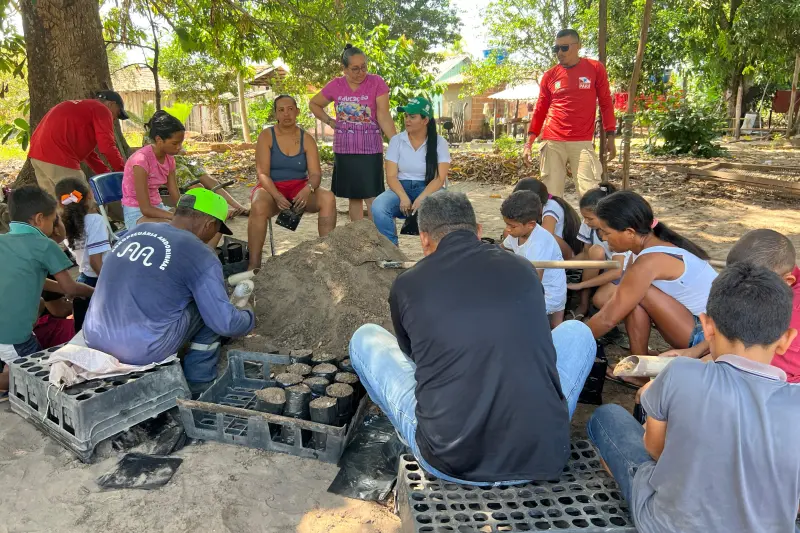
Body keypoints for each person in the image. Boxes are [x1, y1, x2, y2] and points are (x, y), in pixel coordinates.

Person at [349, 190, 597, 485]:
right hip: (543, 452)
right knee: (578, 330)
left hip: (449, 460)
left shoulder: (408, 284)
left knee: (365, 338)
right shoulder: (523, 268)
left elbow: (412, 357)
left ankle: (410, 434)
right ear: (478, 232)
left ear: (424, 238)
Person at [587, 263, 800, 533]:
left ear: (707, 327)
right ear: (786, 339)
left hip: (665, 523)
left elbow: (654, 450)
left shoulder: (680, 373)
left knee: (607, 418)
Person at [83, 189, 255, 396]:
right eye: (218, 229)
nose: (214, 235)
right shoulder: (201, 254)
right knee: (209, 310)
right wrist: (248, 315)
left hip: (93, 336)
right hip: (139, 350)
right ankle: (200, 382)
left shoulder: (137, 230)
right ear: (209, 224)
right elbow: (225, 323)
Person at [585, 191, 717, 372]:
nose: (603, 238)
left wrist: (570, 340)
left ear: (630, 232)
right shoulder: (656, 245)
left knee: (638, 294)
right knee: (634, 296)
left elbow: (608, 318)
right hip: (711, 330)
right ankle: (640, 365)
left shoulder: (648, 262)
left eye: (606, 232)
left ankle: (639, 372)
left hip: (708, 339)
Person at [662, 229, 800, 382]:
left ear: (788, 281)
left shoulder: (791, 314)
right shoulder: (765, 286)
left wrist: (692, 368)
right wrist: (692, 352)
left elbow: (750, 362)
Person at [0, 186, 94, 395]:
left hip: (5, 328)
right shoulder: (44, 245)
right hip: (13, 333)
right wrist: (95, 292)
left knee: (16, 358)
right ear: (39, 219)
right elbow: (69, 288)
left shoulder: (3, 240)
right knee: (40, 379)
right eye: (54, 220)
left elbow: (38, 281)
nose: (57, 225)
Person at [521, 29, 616, 199]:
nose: (559, 53)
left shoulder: (595, 68)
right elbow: (540, 109)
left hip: (582, 142)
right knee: (551, 197)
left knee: (590, 195)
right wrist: (529, 143)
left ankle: (591, 227)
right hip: (552, 142)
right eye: (555, 48)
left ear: (578, 46)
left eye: (564, 48)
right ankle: (553, 226)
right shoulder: (550, 75)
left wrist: (610, 136)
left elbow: (606, 103)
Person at [247, 95, 337, 270]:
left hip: (300, 188)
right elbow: (262, 174)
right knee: (258, 204)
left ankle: (327, 257)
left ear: (297, 111)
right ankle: (254, 263)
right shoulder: (267, 136)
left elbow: (316, 174)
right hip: (272, 188)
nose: (286, 114)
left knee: (328, 198)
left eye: (290, 109)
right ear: (275, 114)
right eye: (281, 110)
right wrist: (276, 195)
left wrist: (308, 188)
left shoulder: (307, 139)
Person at [310, 44, 397, 221]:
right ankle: (359, 240)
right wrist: (330, 122)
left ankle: (377, 238)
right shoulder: (336, 85)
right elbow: (314, 104)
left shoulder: (376, 82)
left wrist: (396, 141)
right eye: (355, 69)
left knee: (373, 197)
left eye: (364, 66)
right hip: (345, 149)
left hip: (370, 149)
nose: (361, 72)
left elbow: (383, 114)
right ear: (344, 69)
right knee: (354, 198)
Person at [372, 97, 449, 245]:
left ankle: (438, 252)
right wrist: (403, 197)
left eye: (412, 117)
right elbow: (391, 176)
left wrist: (422, 198)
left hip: (430, 188)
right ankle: (391, 251)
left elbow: (439, 179)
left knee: (446, 204)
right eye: (406, 116)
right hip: (401, 187)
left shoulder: (440, 143)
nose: (407, 120)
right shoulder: (396, 141)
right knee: (379, 206)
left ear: (425, 120)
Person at [28, 91, 129, 195]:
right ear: (111, 104)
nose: (115, 118)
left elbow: (88, 155)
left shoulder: (84, 108)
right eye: (117, 113)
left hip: (37, 156)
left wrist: (106, 173)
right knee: (82, 201)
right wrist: (123, 173)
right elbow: (107, 147)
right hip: (58, 157)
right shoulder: (102, 109)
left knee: (55, 205)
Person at [501, 190, 568, 327]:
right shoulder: (517, 234)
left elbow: (534, 283)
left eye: (511, 226)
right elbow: (500, 249)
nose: (507, 230)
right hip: (532, 284)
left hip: (548, 295)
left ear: (531, 224)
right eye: (507, 224)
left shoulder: (539, 243)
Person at [54, 177, 111, 331]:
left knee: (83, 328)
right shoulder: (95, 220)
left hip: (83, 280)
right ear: (89, 196)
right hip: (100, 278)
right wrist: (110, 284)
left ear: (60, 203)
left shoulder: (64, 224)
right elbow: (95, 261)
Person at [567, 182, 633, 316]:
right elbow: (586, 255)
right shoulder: (588, 226)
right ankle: (584, 303)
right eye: (584, 218)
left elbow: (616, 272)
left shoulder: (618, 229)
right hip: (605, 266)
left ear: (605, 215)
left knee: (600, 300)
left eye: (589, 218)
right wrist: (563, 265)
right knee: (595, 251)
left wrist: (581, 285)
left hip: (624, 271)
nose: (585, 222)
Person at [121, 110, 183, 229]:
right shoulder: (140, 161)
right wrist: (174, 216)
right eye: (175, 143)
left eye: (180, 143)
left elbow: (174, 193)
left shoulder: (169, 159)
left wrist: (184, 214)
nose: (179, 147)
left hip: (158, 208)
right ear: (159, 140)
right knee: (173, 227)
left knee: (198, 223)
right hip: (136, 213)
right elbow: (146, 209)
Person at [511, 178, 581, 259]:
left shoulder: (551, 206)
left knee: (534, 233)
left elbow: (544, 235)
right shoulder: (540, 207)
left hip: (565, 254)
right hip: (548, 249)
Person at [175, 154, 249, 218]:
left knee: (210, 180)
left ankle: (239, 208)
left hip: (178, 158)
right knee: (197, 187)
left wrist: (179, 150)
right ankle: (217, 212)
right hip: (169, 161)